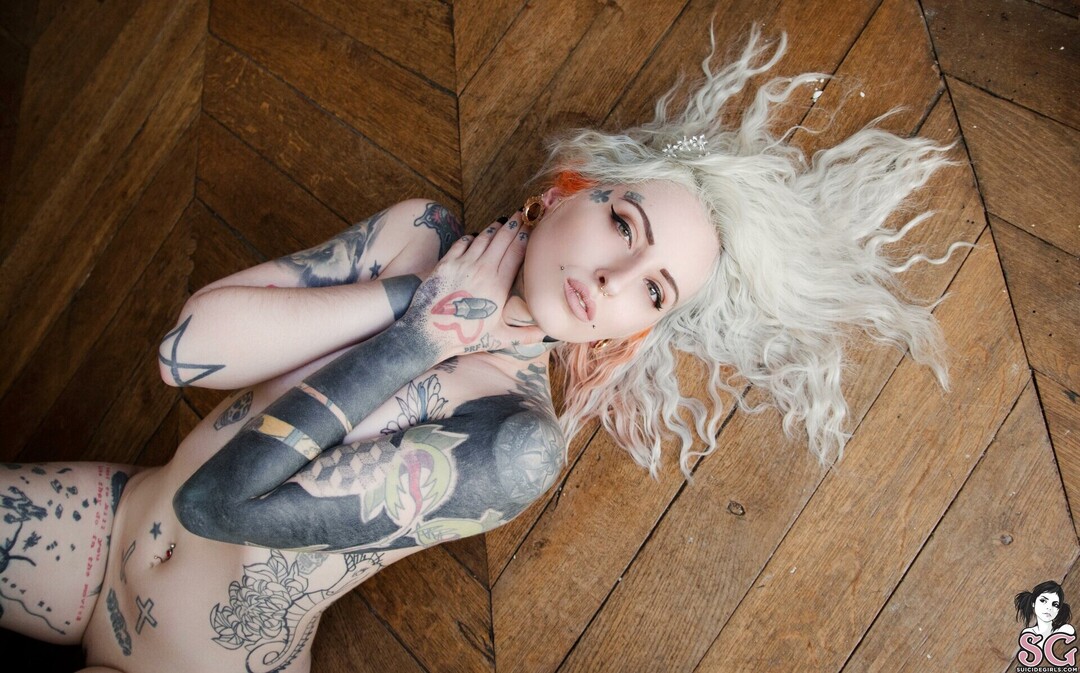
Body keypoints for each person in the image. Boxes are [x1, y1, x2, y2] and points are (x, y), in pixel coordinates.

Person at [0, 27, 965, 672]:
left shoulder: (511, 440)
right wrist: (410, 297)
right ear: (565, 191)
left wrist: (420, 339)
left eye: (652, 290)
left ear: (635, 330)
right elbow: (182, 353)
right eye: (622, 224)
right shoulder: (417, 236)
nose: (615, 277)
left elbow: (220, 506)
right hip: (109, 526)